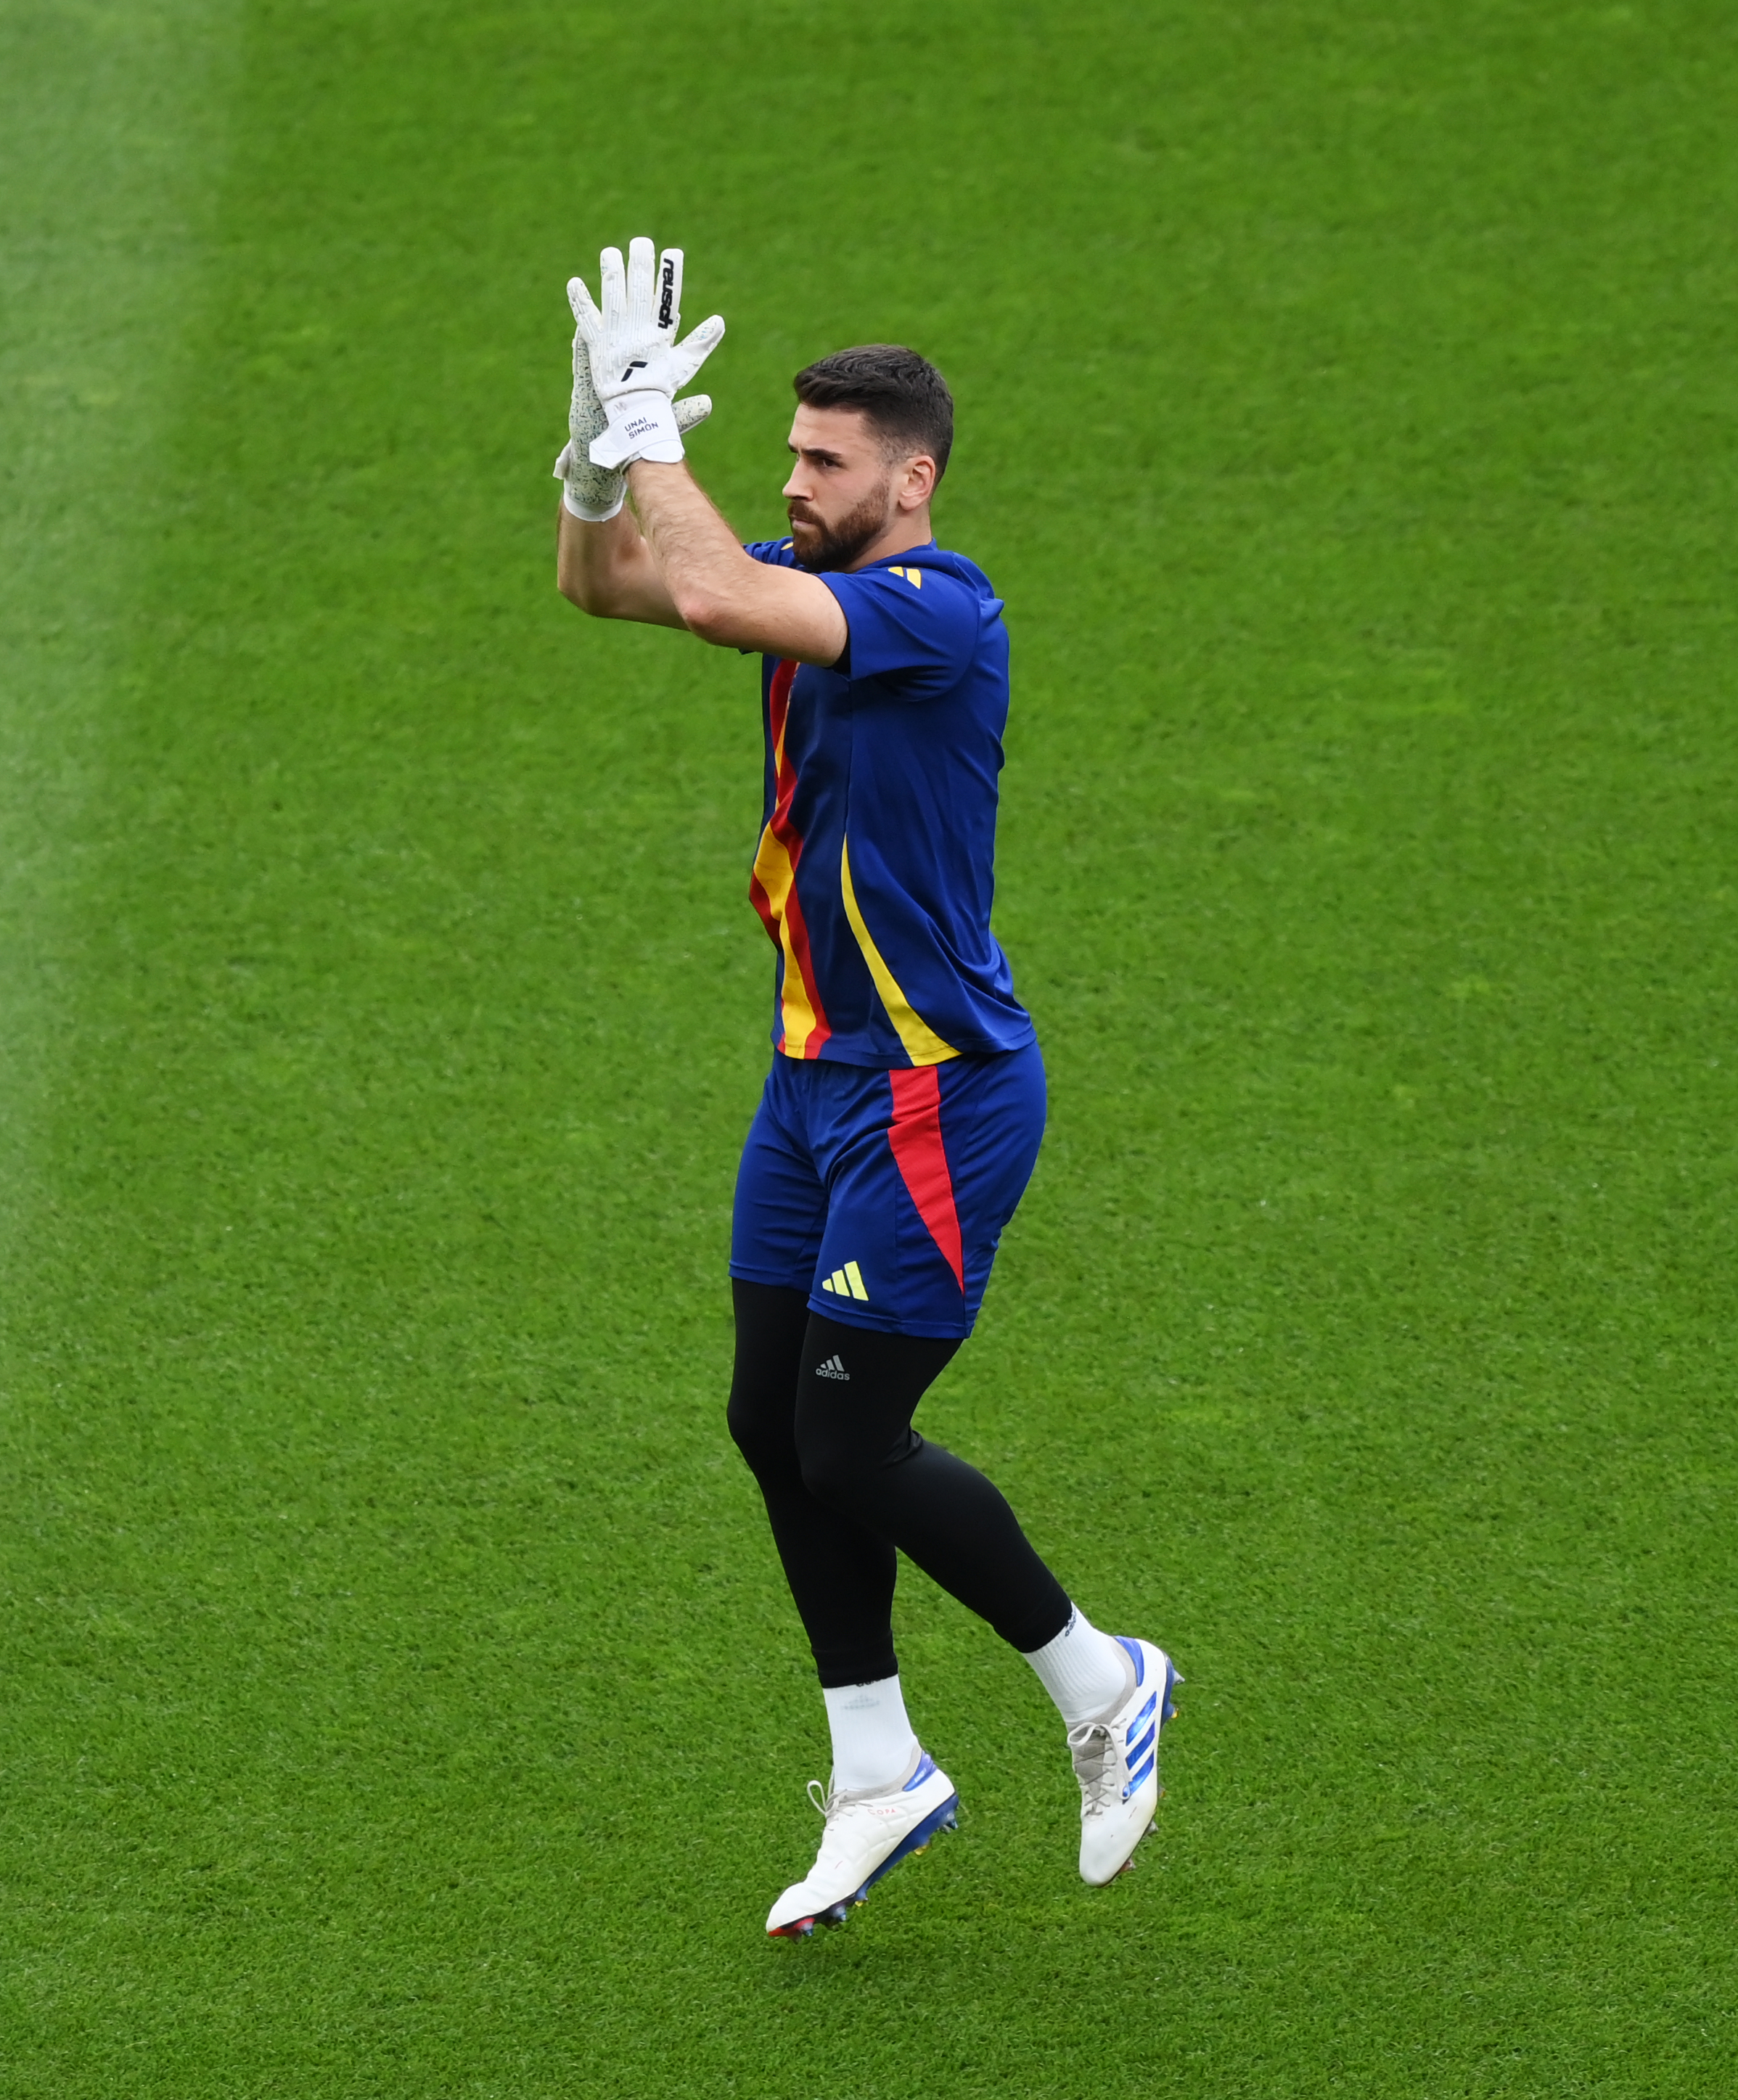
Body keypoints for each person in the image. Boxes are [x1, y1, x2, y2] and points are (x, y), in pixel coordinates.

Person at [552, 239, 1176, 1938]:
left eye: (823, 462)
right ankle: (880, 1768)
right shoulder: (803, 584)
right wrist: (596, 456)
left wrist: (650, 435)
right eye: (787, 455)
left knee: (846, 1436)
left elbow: (705, 593)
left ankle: (1101, 1676)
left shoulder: (935, 608)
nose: (794, 480)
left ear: (911, 480)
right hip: (812, 1079)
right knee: (771, 1422)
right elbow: (611, 584)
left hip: (935, 1095)